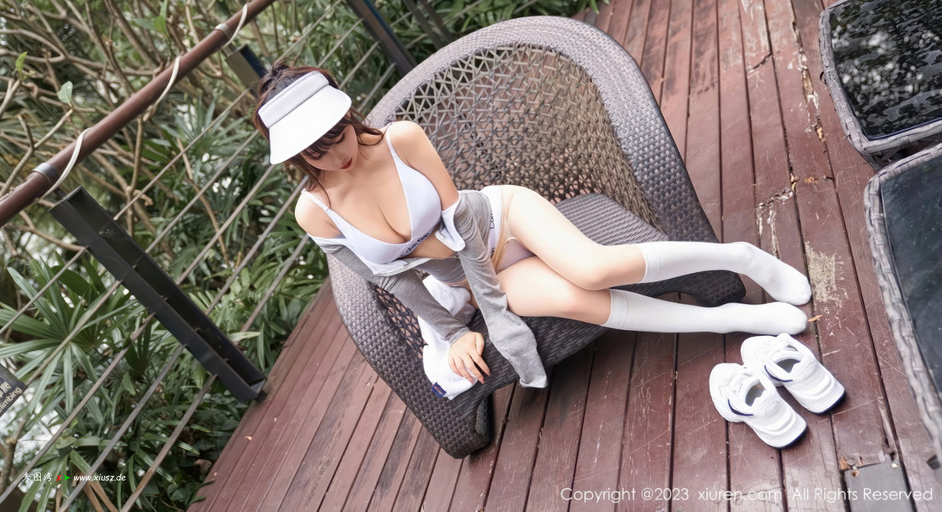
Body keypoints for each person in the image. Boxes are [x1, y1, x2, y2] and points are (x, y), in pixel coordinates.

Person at [253, 63, 811, 389]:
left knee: (594, 269)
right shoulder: (314, 213)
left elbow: (462, 222)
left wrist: (494, 311)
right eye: (318, 152)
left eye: (339, 134)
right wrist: (453, 332)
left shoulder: (400, 139)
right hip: (470, 277)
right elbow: (391, 279)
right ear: (298, 158)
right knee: (575, 299)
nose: (339, 153)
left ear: (346, 115)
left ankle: (741, 255)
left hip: (500, 220)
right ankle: (733, 320)